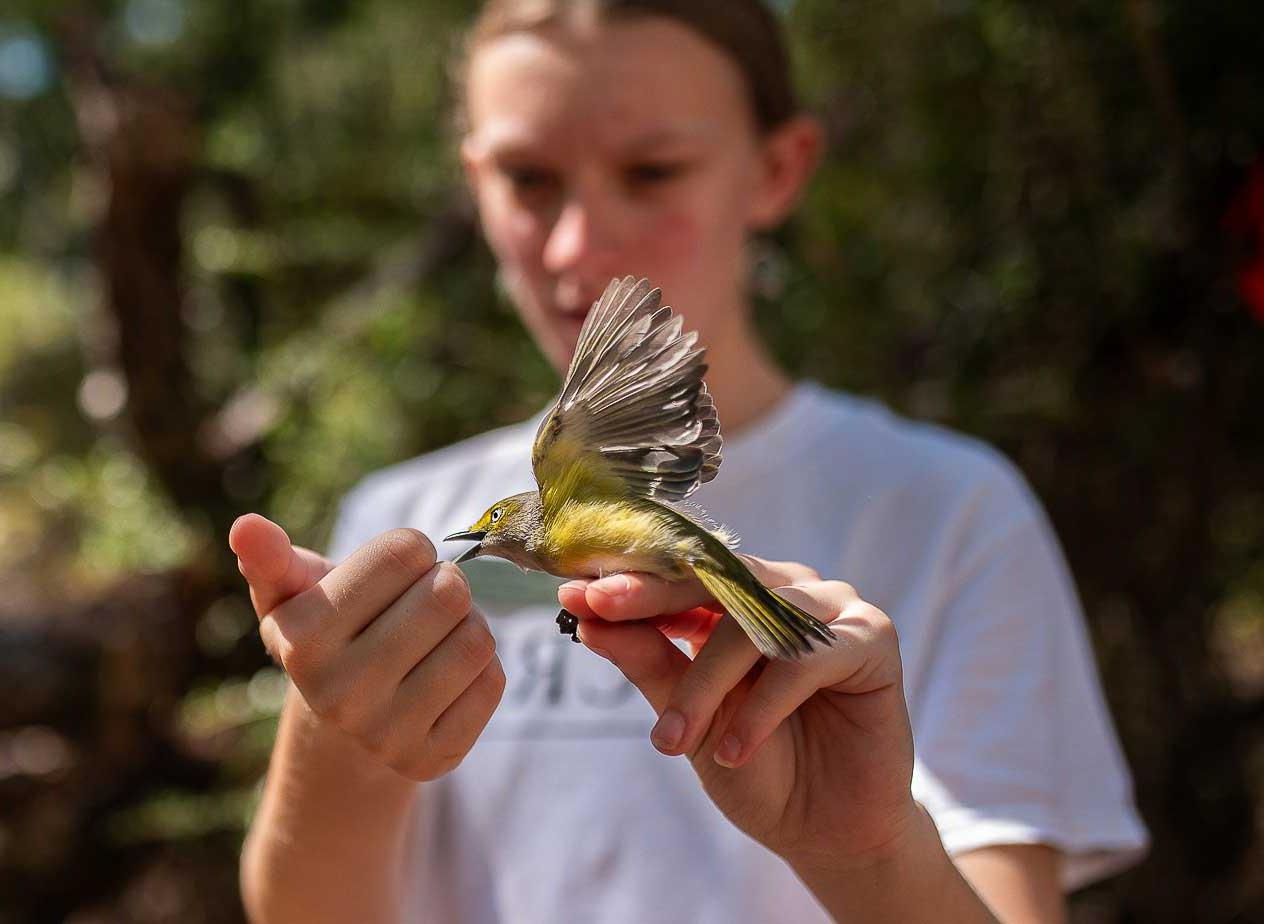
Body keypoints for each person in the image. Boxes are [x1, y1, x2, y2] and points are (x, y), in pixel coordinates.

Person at [229, 1, 1148, 921]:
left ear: (778, 168)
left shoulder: (951, 513)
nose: (576, 245)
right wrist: (337, 739)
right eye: (528, 178)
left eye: (653, 170)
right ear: (474, 183)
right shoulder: (399, 516)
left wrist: (869, 855)